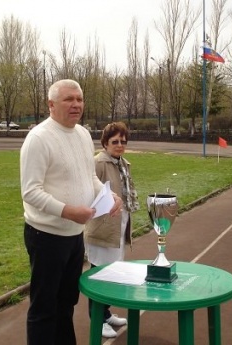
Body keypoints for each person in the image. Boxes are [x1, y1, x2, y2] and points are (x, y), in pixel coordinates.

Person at [20, 79, 123, 345]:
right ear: (51, 104)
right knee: (44, 308)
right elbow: (30, 192)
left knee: (66, 304)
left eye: (79, 99)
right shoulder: (39, 138)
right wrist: (67, 211)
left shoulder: (83, 134)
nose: (76, 104)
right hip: (46, 236)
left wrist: (107, 194)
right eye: (69, 99)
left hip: (75, 235)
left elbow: (88, 176)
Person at [85, 121, 140, 338]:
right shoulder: (98, 163)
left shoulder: (123, 163)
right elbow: (88, 191)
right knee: (100, 274)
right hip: (102, 228)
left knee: (113, 272)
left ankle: (105, 313)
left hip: (120, 226)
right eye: (115, 141)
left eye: (123, 141)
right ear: (105, 143)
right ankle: (96, 318)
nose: (119, 145)